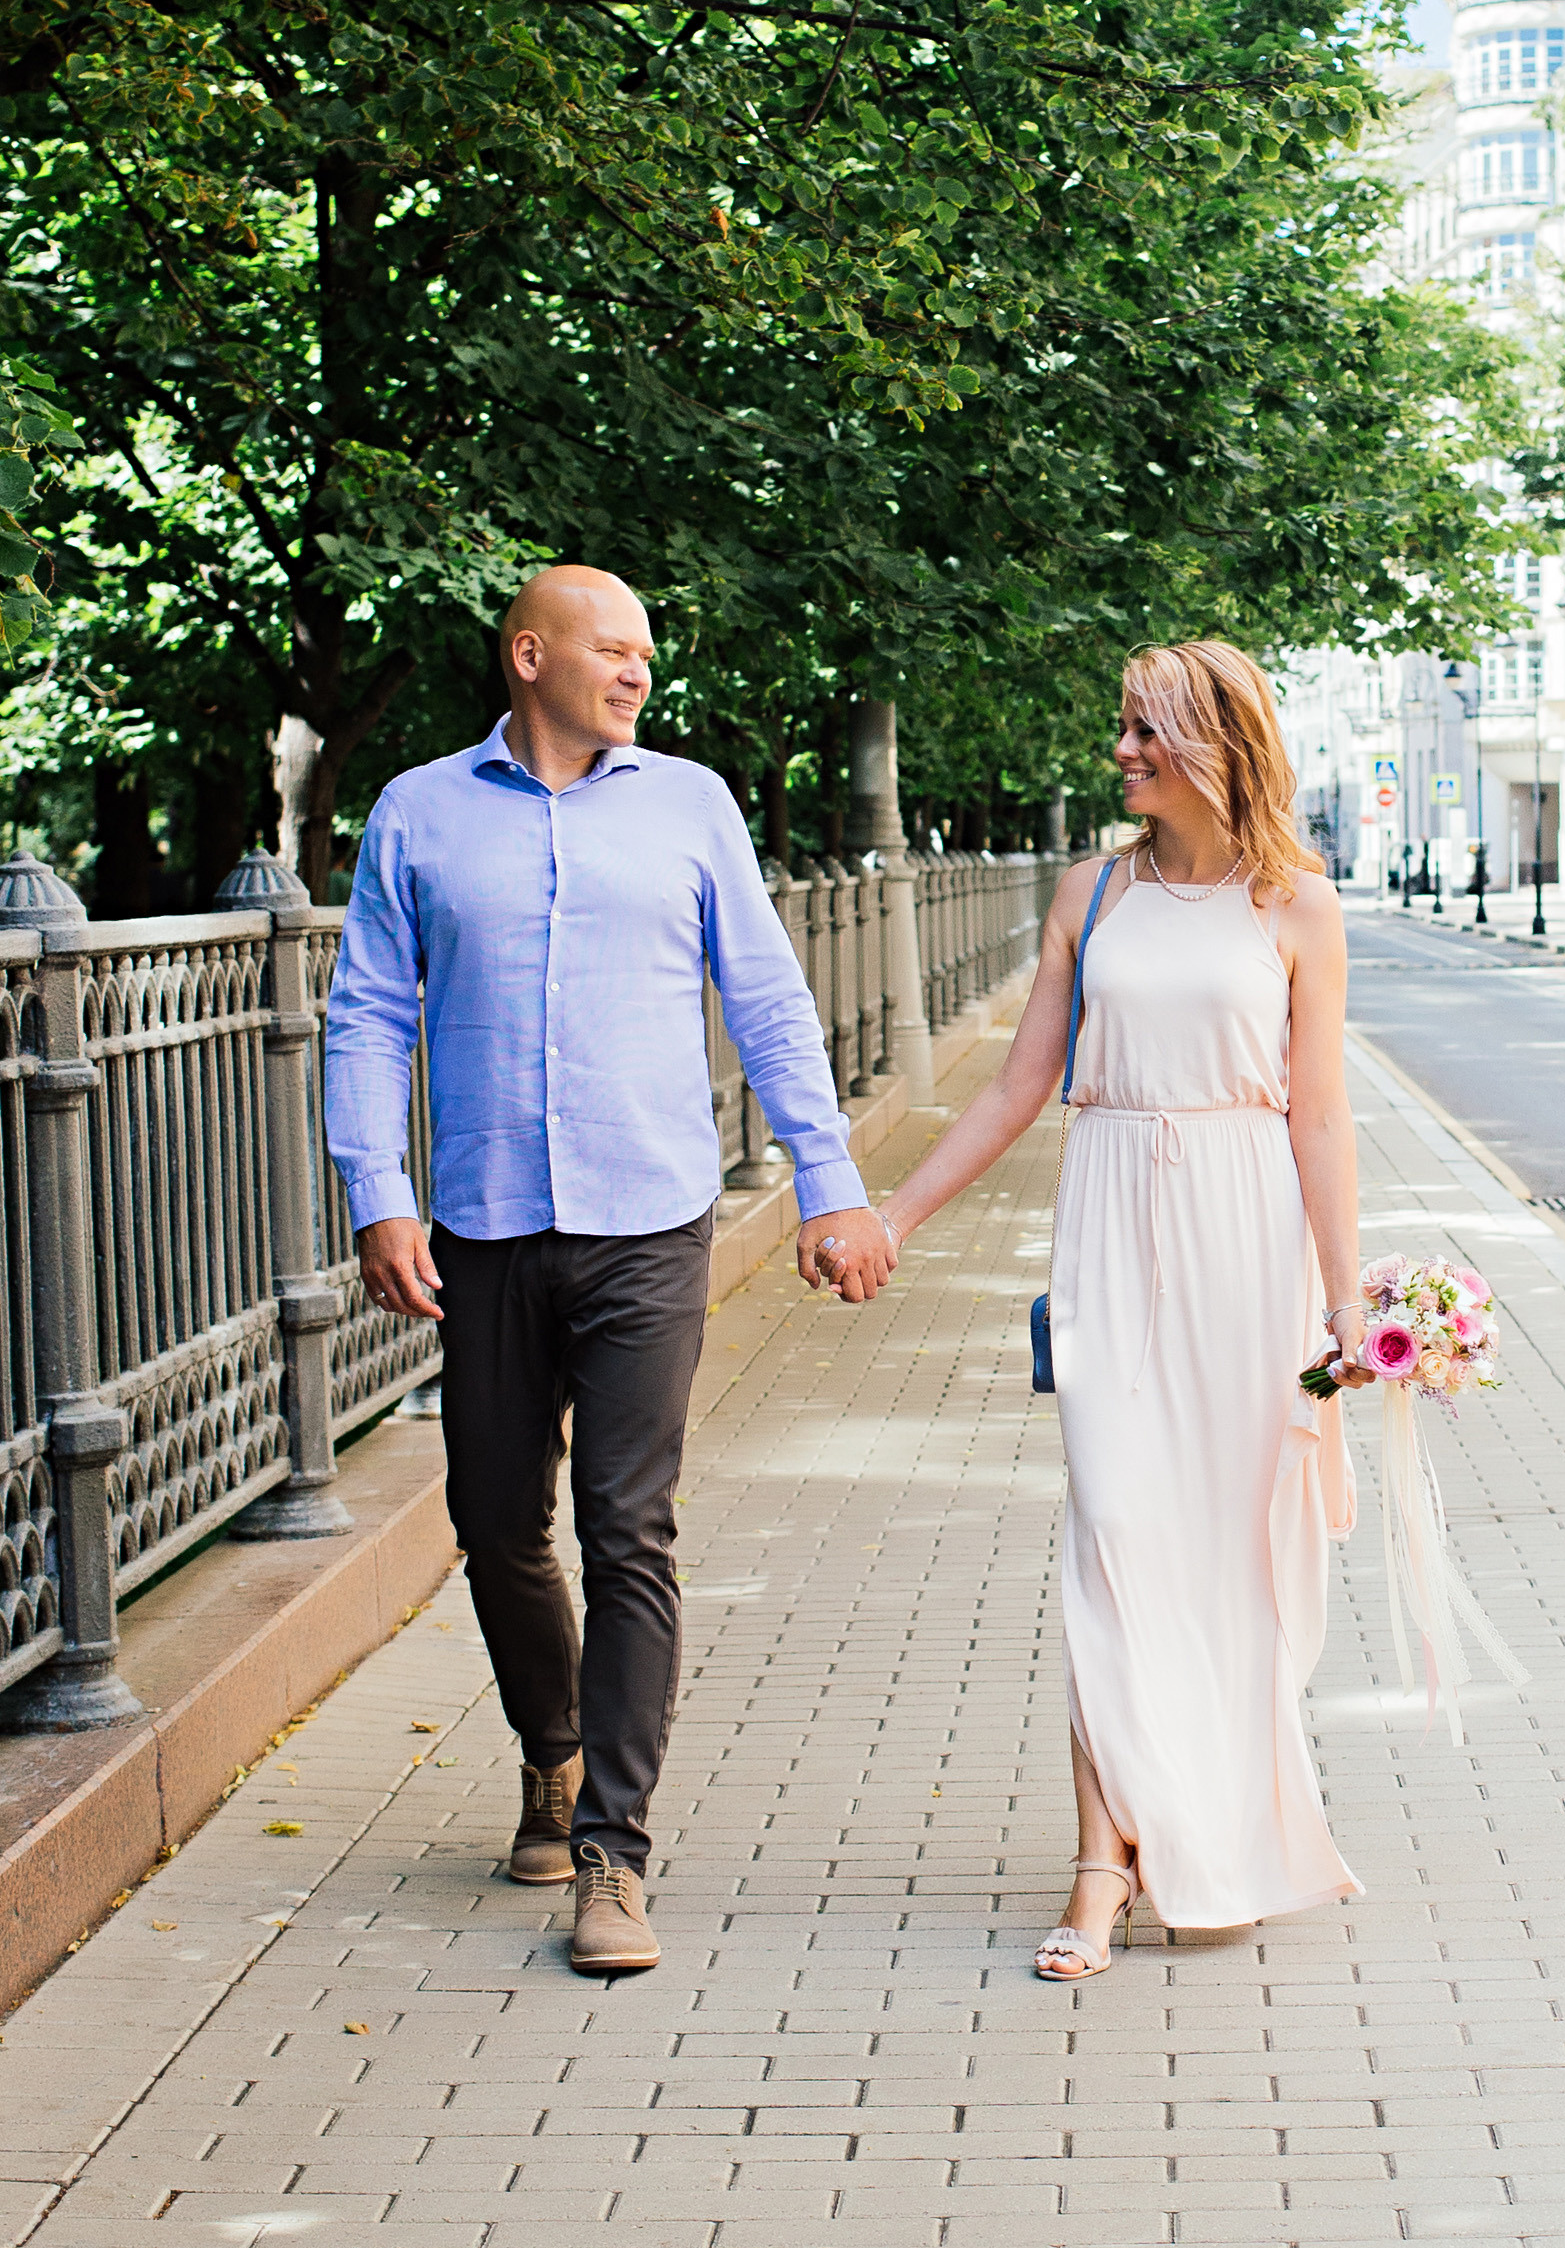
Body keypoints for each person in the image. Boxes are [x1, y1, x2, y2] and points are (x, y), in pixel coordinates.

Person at [324, 567, 887, 1976]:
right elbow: (369, 1013)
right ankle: (552, 1749)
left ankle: (613, 1856)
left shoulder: (691, 804)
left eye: (647, 652)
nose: (638, 672)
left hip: (650, 1222)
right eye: (611, 649)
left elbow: (765, 994)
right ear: (530, 655)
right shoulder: (421, 812)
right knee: (496, 1515)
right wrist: (378, 1196)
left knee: (628, 1526)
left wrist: (830, 1181)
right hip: (486, 1227)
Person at [865, 639, 1370, 1977]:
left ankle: (1213, 1828)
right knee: (1113, 1533)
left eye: (1149, 732)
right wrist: (897, 1219)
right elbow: (1015, 1084)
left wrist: (1346, 1297)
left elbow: (1319, 1113)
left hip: (1243, 1232)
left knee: (1228, 1549)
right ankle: (1102, 1863)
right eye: (1126, 729)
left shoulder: (1295, 908)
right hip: (1109, 1222)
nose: (1124, 752)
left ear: (1219, 743)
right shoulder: (1093, 895)